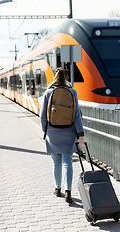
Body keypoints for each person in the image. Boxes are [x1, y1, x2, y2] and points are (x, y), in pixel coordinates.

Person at [40, 67, 85, 203]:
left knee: (56, 162)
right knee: (67, 163)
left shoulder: (48, 93)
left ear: (54, 77)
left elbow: (42, 115)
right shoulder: (73, 92)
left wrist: (45, 131)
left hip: (53, 133)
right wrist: (80, 134)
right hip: (69, 132)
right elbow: (77, 115)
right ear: (66, 78)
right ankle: (68, 192)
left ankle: (57, 189)